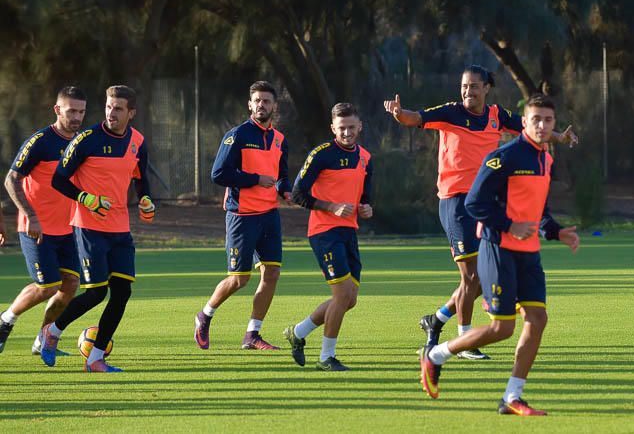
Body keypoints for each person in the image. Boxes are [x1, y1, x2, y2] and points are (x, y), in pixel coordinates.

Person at [384, 65, 578, 359]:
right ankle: (465, 341)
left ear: (487, 88)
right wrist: (400, 114)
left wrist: (560, 137)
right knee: (472, 276)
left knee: (477, 279)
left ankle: (436, 320)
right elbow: (417, 118)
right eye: (464, 86)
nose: (468, 91)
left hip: (486, 204)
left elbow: (531, 128)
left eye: (474, 86)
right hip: (456, 203)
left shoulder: (497, 116)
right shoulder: (450, 112)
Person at [419, 94, 580, 416]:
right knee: (501, 329)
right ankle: (436, 355)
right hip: (498, 250)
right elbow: (474, 203)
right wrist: (508, 225)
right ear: (524, 122)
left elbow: (539, 210)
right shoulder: (504, 157)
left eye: (548, 120)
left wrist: (555, 231)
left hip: (529, 253)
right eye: (536, 119)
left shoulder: (545, 159)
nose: (543, 125)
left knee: (537, 319)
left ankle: (512, 397)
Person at [40, 85, 155, 372]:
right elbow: (59, 179)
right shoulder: (86, 139)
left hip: (120, 228)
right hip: (89, 227)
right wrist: (85, 198)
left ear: (131, 112)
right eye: (108, 106)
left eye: (118, 108)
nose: (111, 113)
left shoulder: (138, 142)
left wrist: (145, 199)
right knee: (95, 292)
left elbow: (140, 178)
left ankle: (95, 359)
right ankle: (52, 331)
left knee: (122, 293)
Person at [194, 80, 292, 351]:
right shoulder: (236, 135)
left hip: (269, 215)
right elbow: (218, 174)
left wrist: (287, 192)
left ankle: (252, 335)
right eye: (257, 100)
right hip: (242, 215)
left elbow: (282, 176)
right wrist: (254, 179)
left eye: (267, 101)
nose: (262, 105)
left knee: (271, 273)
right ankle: (204, 315)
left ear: (274, 106)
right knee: (240, 279)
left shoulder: (280, 139)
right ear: (250, 105)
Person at [284, 102, 373, 371]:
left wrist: (366, 207)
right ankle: (326, 357)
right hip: (323, 232)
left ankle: (298, 332)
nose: (347, 133)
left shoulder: (366, 157)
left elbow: (365, 196)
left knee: (350, 299)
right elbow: (298, 194)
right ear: (332, 128)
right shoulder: (321, 154)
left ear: (360, 127)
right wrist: (331, 206)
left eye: (351, 127)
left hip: (349, 232)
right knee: (342, 294)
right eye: (341, 128)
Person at [0, 87, 87, 355]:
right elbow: (11, 180)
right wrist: (32, 216)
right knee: (47, 286)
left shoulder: (82, 141)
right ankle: (5, 321)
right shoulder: (40, 141)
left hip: (68, 228)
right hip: (36, 228)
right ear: (57, 110)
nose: (76, 117)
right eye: (71, 110)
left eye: (81, 111)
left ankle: (43, 340)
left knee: (70, 285)